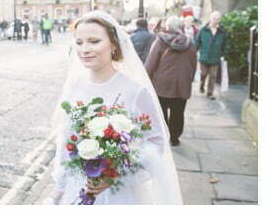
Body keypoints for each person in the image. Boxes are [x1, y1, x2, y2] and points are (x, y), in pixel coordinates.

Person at [50, 11, 182, 204]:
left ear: (113, 44)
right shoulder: (74, 85)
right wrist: (58, 190)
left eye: (94, 41)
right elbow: (65, 139)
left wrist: (116, 173)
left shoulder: (135, 92)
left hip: (118, 194)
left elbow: (155, 142)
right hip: (77, 188)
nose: (84, 49)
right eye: (79, 42)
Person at [145, 16, 197, 147]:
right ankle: (175, 137)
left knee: (161, 112)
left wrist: (146, 79)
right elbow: (193, 64)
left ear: (167, 27)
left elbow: (151, 63)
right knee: (178, 112)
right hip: (182, 84)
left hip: (162, 84)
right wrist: (189, 79)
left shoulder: (160, 41)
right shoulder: (189, 43)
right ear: (181, 27)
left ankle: (164, 135)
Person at [195, 11, 227, 100]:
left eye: (217, 19)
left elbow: (225, 44)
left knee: (213, 76)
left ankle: (210, 93)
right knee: (203, 74)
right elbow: (197, 41)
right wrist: (195, 51)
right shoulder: (203, 29)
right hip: (204, 57)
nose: (215, 21)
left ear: (220, 20)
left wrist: (223, 54)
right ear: (210, 18)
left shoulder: (222, 31)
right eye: (214, 18)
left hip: (215, 57)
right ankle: (201, 85)